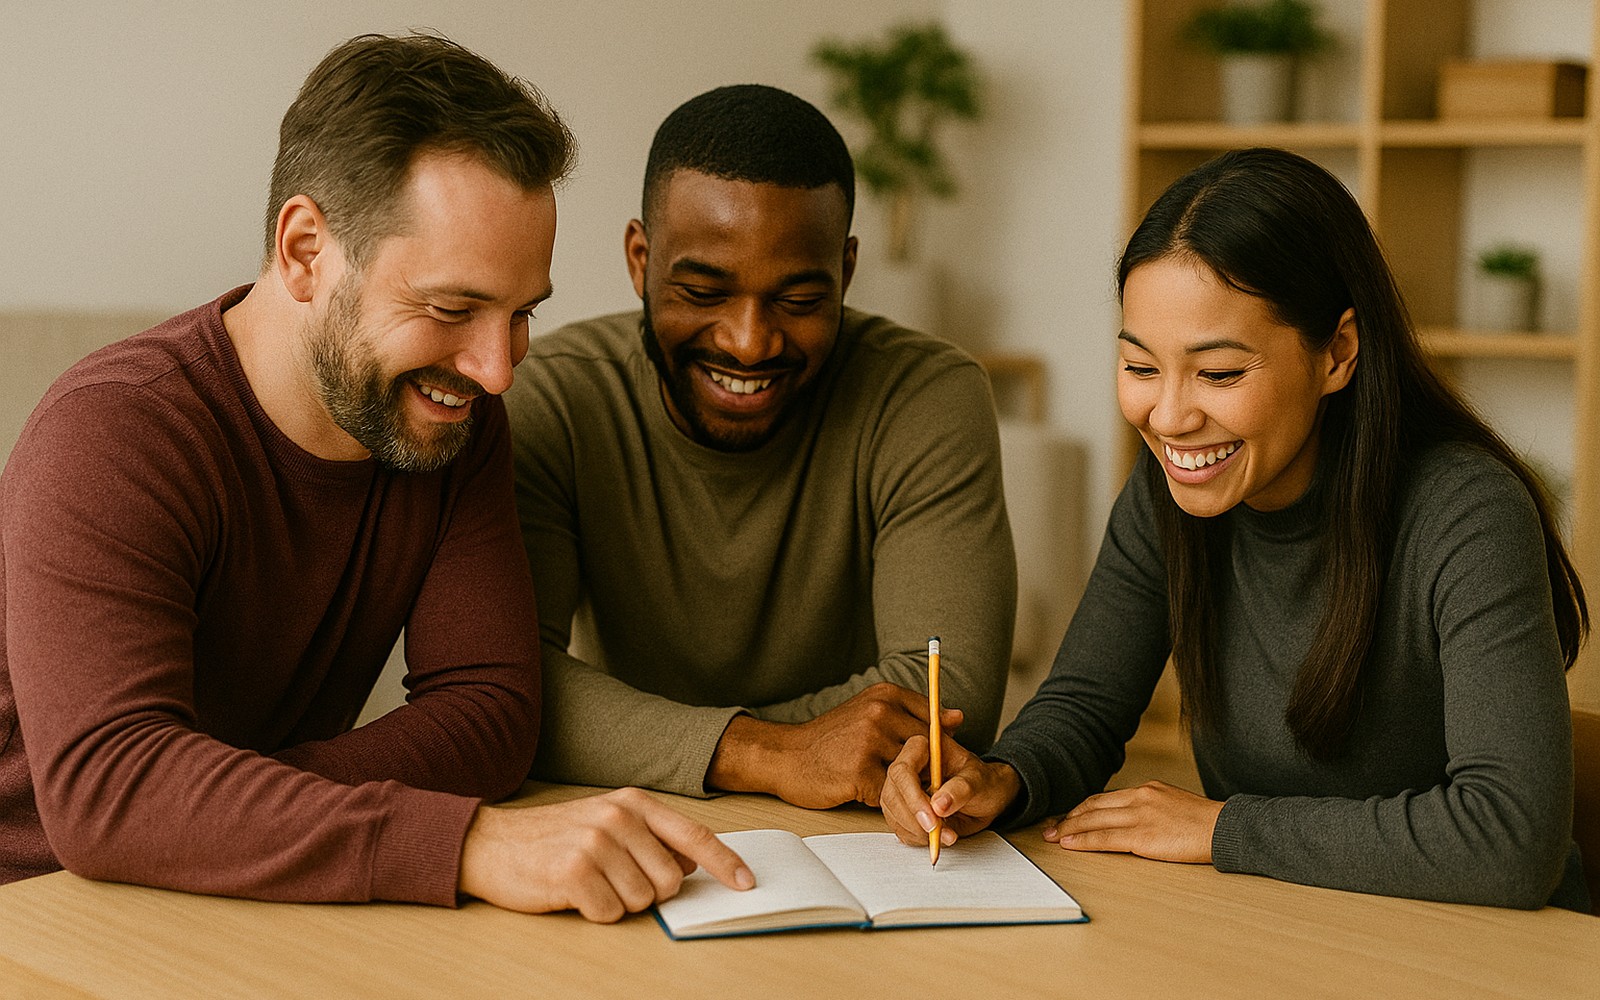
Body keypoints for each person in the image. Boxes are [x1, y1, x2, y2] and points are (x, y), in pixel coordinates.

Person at [0, 32, 752, 924]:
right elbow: (112, 797)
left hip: (246, 903)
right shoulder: (118, 430)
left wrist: (213, 810)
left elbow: (491, 711)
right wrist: (461, 841)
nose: (496, 368)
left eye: (520, 314)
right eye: (451, 308)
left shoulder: (453, 422)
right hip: (44, 917)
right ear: (307, 250)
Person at [880, 147, 1591, 912]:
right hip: (1285, 925)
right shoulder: (1170, 493)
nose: (1171, 418)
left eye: (1219, 374)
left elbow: (1511, 840)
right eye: (1141, 367)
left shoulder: (1464, 513)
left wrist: (1222, 831)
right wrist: (999, 778)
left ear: (1338, 353)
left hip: (1484, 956)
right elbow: (1085, 709)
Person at [503, 84, 1015, 809]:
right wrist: (774, 754)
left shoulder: (926, 396)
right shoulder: (552, 400)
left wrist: (644, 735)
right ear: (640, 260)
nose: (750, 342)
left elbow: (948, 690)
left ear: (846, 270)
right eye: (704, 292)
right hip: (637, 814)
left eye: (798, 300)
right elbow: (512, 685)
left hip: (860, 826)